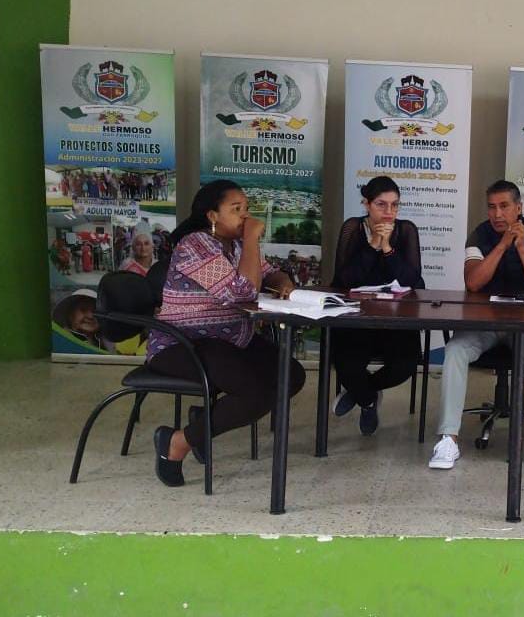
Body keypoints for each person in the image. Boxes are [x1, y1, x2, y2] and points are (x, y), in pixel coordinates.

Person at [145, 180, 304, 488]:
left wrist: (283, 282)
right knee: (255, 394)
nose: (245, 216)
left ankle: (203, 422)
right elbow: (242, 291)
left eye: (246, 209)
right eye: (236, 209)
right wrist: (253, 238)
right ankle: (176, 442)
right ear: (212, 216)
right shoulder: (195, 245)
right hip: (183, 343)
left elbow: (269, 273)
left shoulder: (237, 245)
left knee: (291, 376)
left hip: (230, 340)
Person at [428, 180, 524, 476]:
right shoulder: (479, 234)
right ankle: (448, 439)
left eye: (504, 206)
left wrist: (520, 247)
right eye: (492, 207)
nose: (497, 214)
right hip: (485, 324)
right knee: (454, 350)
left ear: (519, 208)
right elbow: (473, 282)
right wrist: (503, 244)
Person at [330, 176, 426, 435]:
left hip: (395, 319)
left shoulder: (406, 230)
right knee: (346, 364)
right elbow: (343, 281)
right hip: (356, 318)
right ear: (367, 204)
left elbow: (413, 281)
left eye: (395, 205)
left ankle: (362, 392)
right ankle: (368, 400)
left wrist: (387, 249)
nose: (389, 212)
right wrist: (372, 244)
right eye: (381, 204)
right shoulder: (353, 228)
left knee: (405, 365)